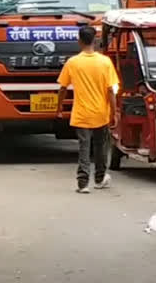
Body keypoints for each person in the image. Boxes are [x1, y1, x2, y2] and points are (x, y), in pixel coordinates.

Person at [56, 25, 120, 194]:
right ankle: (99, 179)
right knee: (100, 147)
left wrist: (59, 107)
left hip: (81, 113)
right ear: (95, 40)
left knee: (84, 148)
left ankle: (83, 183)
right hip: (101, 113)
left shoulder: (73, 62)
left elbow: (62, 88)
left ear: (79, 41)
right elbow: (110, 91)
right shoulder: (105, 62)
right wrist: (114, 112)